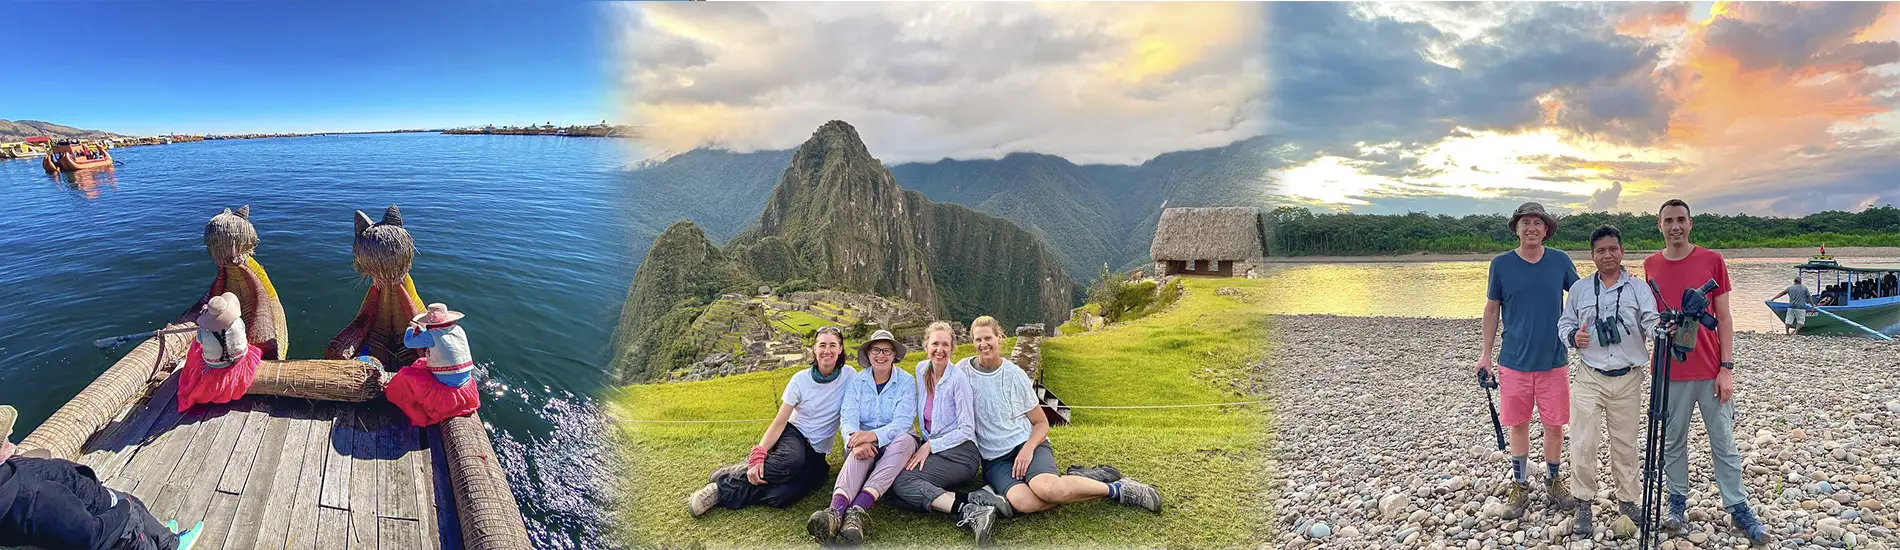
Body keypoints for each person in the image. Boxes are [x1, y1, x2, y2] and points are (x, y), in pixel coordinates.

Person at [1642, 199, 1768, 544]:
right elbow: (1650, 317)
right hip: (1668, 372)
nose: (1675, 227)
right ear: (1659, 226)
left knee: (1724, 443)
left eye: (1681, 220)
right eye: (1668, 221)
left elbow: (1725, 317)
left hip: (1711, 369)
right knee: (1672, 443)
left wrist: (1726, 368)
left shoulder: (1713, 260)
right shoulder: (1650, 264)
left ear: (1691, 223)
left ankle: (1739, 508)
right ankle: (1676, 506)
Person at [964, 316, 1161, 523]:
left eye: (988, 338)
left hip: (1025, 443)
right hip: (995, 459)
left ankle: (1120, 489)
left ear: (999, 338)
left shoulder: (1014, 376)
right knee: (1025, 502)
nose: (983, 344)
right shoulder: (963, 372)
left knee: (1047, 489)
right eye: (978, 340)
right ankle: (1083, 480)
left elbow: (1041, 423)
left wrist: (1028, 448)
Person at [1477, 202, 1580, 520]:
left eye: (1538, 223)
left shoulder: (1560, 261)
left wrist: (1620, 281)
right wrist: (1485, 356)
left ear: (1546, 230)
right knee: (1518, 425)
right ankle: (1520, 483)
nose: (1532, 227)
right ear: (1517, 229)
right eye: (1526, 223)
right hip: (1513, 361)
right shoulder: (1501, 264)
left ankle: (1553, 479)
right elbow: (1492, 309)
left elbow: (1582, 296)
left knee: (1554, 425)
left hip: (1553, 360)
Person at [688, 326, 857, 516]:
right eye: (822, 345)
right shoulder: (799, 380)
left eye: (833, 345)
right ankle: (720, 489)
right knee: (791, 461)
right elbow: (779, 422)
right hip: (794, 434)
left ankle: (734, 471)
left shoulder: (850, 377)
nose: (827, 351)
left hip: (817, 451)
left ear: (841, 349)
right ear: (814, 349)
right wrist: (759, 453)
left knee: (782, 495)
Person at [1556, 226, 1659, 536]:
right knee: (1583, 442)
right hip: (1590, 375)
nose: (1607, 255)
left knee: (1625, 444)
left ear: (1622, 251)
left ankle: (1628, 501)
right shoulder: (1580, 290)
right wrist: (1574, 337)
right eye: (1600, 250)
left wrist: (1664, 334)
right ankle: (1583, 503)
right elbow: (1564, 324)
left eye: (1612, 248)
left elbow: (1652, 321)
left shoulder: (1639, 289)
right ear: (1593, 255)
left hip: (1628, 378)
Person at [0, 405, 203, 550]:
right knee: (135, 509)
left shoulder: (8, 475)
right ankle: (171, 545)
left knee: (136, 506)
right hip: (115, 530)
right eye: (3, 439)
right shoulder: (37, 497)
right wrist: (123, 508)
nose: (11, 431)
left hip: (88, 499)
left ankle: (164, 539)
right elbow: (91, 537)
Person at [887, 322, 1003, 545]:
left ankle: (969, 511)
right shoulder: (921, 370)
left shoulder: (958, 380)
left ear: (952, 348)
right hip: (937, 450)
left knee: (902, 484)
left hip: (962, 453)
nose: (939, 350)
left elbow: (966, 428)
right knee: (895, 493)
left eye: (945, 345)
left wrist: (930, 446)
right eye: (935, 344)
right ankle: (975, 499)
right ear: (926, 346)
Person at [806, 330, 919, 546]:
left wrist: (872, 436)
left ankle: (857, 511)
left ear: (894, 354)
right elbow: (847, 418)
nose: (881, 355)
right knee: (860, 453)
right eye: (875, 350)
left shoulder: (906, 381)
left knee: (905, 440)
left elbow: (902, 423)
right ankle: (835, 513)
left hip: (894, 444)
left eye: (887, 350)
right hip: (862, 444)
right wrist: (855, 440)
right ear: (868, 354)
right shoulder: (857, 382)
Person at [384, 303, 482, 427]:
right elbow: (438, 336)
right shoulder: (458, 330)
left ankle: (393, 396)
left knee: (405, 373)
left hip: (445, 391)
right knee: (422, 362)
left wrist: (410, 328)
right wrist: (424, 331)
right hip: (465, 386)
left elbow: (408, 343)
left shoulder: (430, 335)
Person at [176, 292, 262, 412]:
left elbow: (199, 342)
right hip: (239, 359)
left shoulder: (203, 332)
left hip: (215, 365)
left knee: (196, 346)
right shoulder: (238, 322)